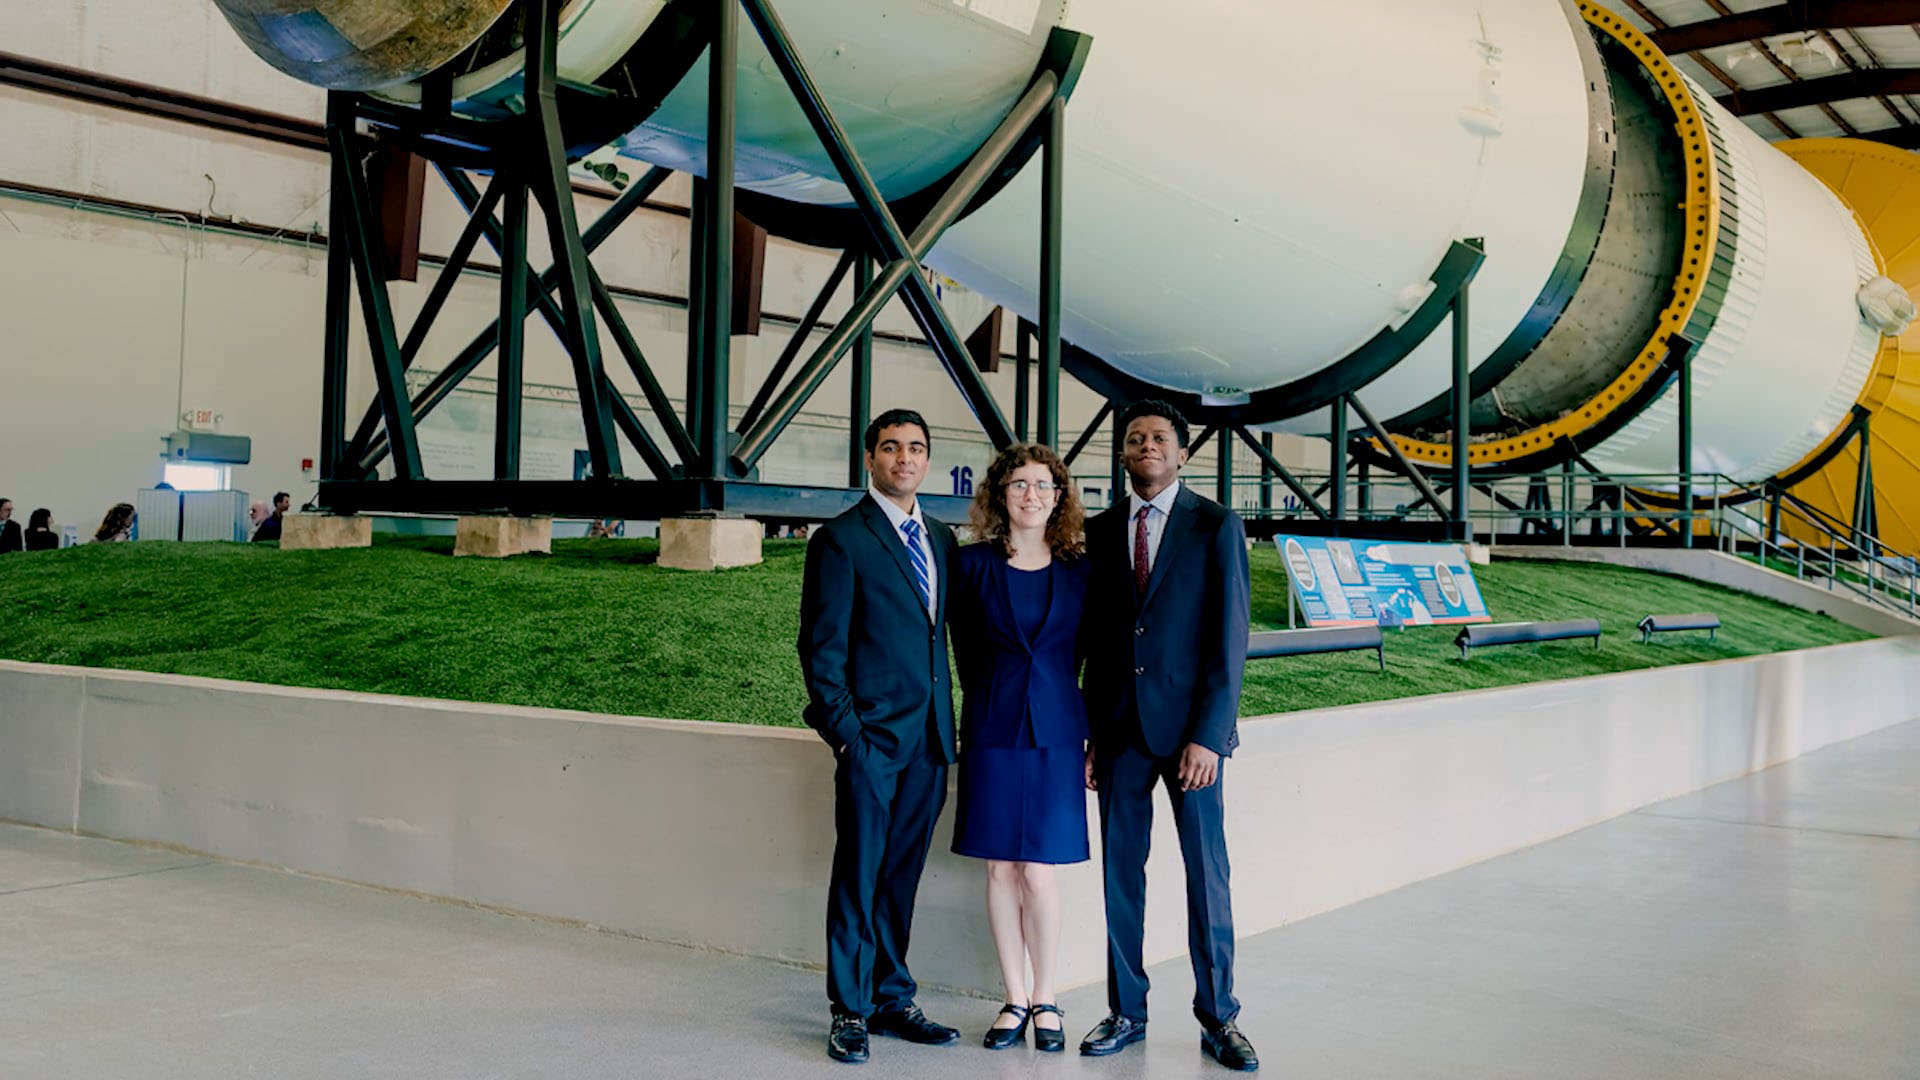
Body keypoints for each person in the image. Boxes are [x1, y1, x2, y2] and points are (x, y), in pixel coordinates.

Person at [1078, 399, 1258, 1072]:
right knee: (1121, 878)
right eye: (1134, 439)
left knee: (1207, 876)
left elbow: (1228, 640)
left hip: (1192, 740)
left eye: (1158, 438)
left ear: (1181, 454)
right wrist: (1093, 736)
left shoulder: (1215, 527)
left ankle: (1220, 1018)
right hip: (1120, 735)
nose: (1146, 446)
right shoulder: (1099, 532)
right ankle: (1126, 1010)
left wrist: (1210, 737)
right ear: (1123, 455)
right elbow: (1094, 638)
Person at [798, 408, 962, 1065]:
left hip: (929, 743)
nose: (904, 458)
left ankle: (892, 998)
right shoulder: (841, 540)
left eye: (916, 448)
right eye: (890, 447)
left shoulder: (943, 541)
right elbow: (820, 647)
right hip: (871, 742)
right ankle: (849, 1010)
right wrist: (847, 737)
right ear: (869, 458)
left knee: (901, 876)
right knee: (859, 874)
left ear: (927, 460)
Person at [948, 443, 1091, 1052]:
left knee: (1040, 870)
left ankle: (1046, 996)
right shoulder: (972, 565)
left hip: (1058, 731)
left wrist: (1095, 741)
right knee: (1001, 866)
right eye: (1018, 485)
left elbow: (1090, 656)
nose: (1031, 495)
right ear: (1000, 495)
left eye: (1042, 486)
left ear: (1058, 498)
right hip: (992, 727)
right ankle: (1013, 997)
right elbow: (962, 649)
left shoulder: (1081, 569)